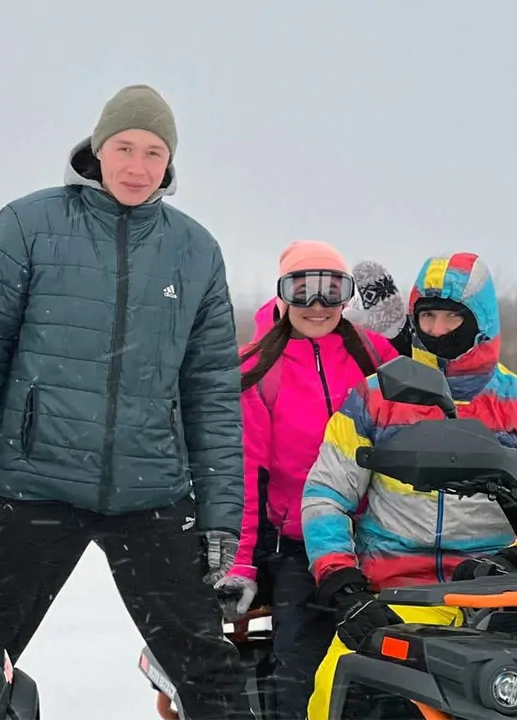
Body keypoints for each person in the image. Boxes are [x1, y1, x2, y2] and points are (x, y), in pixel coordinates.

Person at [0, 84, 252, 719]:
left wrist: (221, 515)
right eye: (125, 148)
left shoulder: (194, 250)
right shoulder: (30, 224)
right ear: (97, 149)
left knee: (208, 669)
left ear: (171, 163)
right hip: (39, 484)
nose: (138, 167)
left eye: (154, 153)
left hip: (152, 494)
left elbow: (212, 392)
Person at [299, 251, 517, 720]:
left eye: (450, 316)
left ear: (481, 321)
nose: (435, 329)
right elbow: (327, 493)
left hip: (499, 599)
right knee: (333, 695)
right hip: (395, 597)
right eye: (426, 316)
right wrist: (343, 585)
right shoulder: (374, 397)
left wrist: (515, 561)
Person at [213, 241, 403, 720]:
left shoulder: (370, 352)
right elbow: (246, 476)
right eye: (302, 291)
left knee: (399, 657)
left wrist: (404, 339)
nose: (317, 306)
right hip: (299, 544)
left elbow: (427, 398)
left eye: (331, 291)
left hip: (378, 535)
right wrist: (242, 565)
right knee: (306, 667)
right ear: (283, 298)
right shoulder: (258, 367)